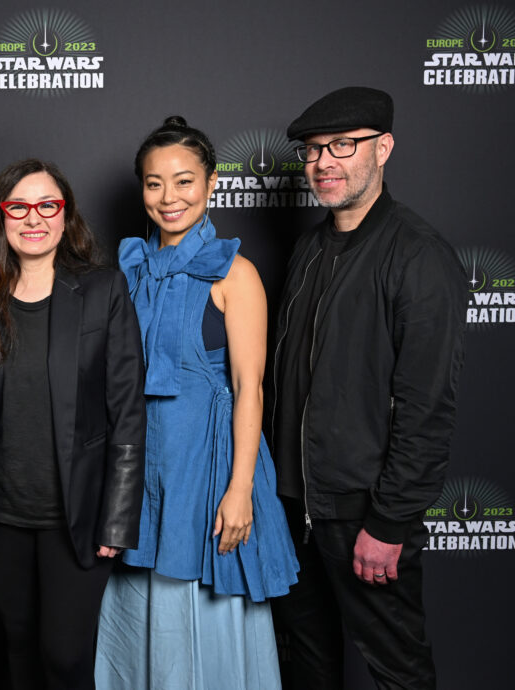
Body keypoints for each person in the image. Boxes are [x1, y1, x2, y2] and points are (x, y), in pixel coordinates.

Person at [270, 86, 465, 689]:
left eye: (342, 146)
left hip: (364, 513)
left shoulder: (418, 256)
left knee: (397, 672)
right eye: (312, 150)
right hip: (293, 506)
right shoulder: (308, 247)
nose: (323, 162)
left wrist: (388, 523)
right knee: (309, 666)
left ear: (383, 149)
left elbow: (426, 410)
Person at [0, 158, 146, 690]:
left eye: (47, 205)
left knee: (66, 658)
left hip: (80, 518)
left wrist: (117, 521)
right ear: (0, 216)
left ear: (65, 215)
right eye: (18, 206)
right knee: (18, 653)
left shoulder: (102, 291)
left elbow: (127, 416)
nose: (34, 218)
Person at [94, 117, 299, 690]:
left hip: (209, 465)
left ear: (211, 184)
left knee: (209, 611)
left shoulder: (236, 274)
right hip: (142, 464)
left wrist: (239, 490)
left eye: (184, 181)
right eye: (154, 183)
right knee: (141, 605)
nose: (169, 197)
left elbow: (249, 386)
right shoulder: (128, 272)